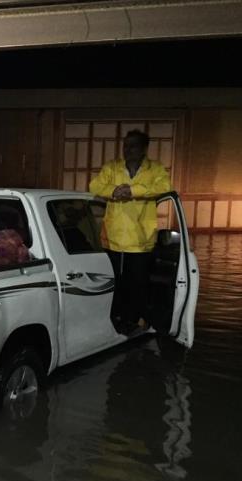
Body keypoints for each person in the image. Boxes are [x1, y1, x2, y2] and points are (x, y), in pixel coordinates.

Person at [89, 129, 172, 335]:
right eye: (125, 145)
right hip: (113, 238)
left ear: (144, 148)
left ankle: (134, 321)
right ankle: (114, 321)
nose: (128, 150)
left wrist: (132, 191)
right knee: (114, 283)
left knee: (138, 284)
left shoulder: (156, 169)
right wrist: (114, 191)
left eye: (133, 145)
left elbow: (165, 186)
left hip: (140, 240)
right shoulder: (112, 167)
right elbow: (95, 185)